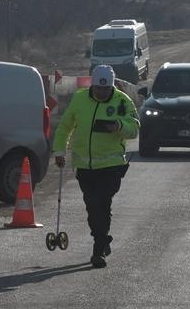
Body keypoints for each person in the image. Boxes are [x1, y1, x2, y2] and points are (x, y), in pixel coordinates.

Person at [52, 65, 140, 268]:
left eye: (106, 89)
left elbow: (134, 128)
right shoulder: (80, 99)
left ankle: (98, 251)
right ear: (92, 85)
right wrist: (59, 151)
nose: (102, 92)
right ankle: (103, 238)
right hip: (84, 165)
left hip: (111, 166)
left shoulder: (122, 101)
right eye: (99, 89)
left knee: (103, 203)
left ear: (112, 86)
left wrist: (119, 126)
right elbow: (65, 126)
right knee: (92, 207)